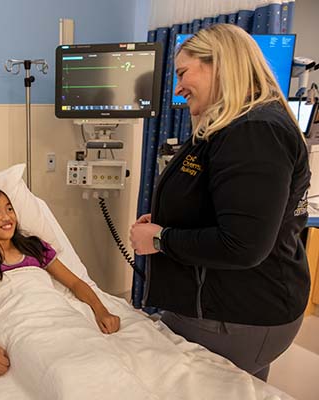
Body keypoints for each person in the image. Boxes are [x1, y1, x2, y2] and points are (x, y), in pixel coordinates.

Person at [129, 23, 311, 382]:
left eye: (183, 73)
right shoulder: (234, 125)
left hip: (237, 314)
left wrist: (161, 238)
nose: (178, 89)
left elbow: (243, 244)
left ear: (221, 64)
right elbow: (228, 205)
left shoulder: (253, 131)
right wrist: (169, 219)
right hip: (234, 305)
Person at [0, 187, 120, 376]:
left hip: (57, 316)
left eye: (9, 209)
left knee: (98, 359)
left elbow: (75, 283)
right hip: (20, 324)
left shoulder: (35, 247)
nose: (7, 217)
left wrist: (102, 311)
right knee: (55, 369)